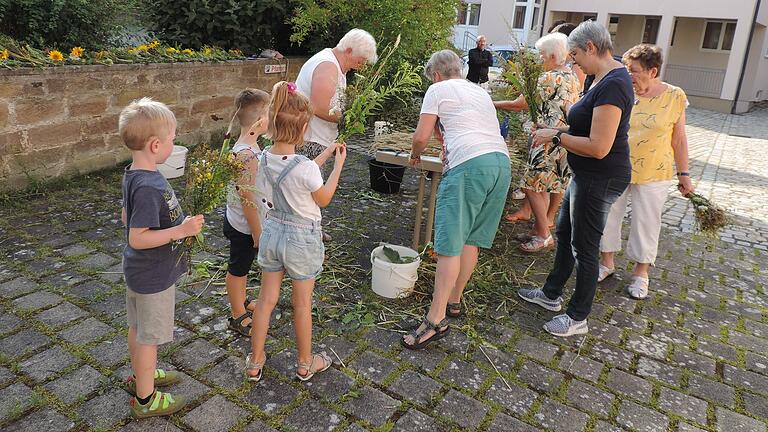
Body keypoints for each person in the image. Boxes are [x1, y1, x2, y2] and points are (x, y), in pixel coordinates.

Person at [517, 21, 633, 337]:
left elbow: (598, 146)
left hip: (601, 177)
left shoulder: (615, 85)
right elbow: (583, 129)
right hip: (584, 175)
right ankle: (551, 294)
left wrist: (555, 136)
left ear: (591, 47)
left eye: (577, 54)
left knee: (584, 247)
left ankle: (577, 317)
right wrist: (554, 132)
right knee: (566, 232)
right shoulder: (599, 78)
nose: (574, 61)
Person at [401, 50, 511, 350]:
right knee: (471, 239)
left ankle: (435, 320)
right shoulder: (479, 91)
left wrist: (414, 154)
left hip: (469, 167)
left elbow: (421, 135)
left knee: (449, 244)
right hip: (500, 164)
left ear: (435, 75)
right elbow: (467, 127)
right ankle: (454, 300)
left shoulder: (437, 89)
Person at [246, 81, 346, 381]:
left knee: (266, 300)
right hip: (301, 240)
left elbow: (296, 172)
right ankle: (305, 362)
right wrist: (338, 166)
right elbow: (323, 197)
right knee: (302, 304)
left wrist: (326, 154)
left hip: (272, 232)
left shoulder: (264, 157)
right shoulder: (305, 168)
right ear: (303, 130)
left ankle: (255, 361)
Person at [119, 98, 204, 417]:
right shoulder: (148, 185)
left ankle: (141, 374)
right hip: (152, 276)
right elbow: (137, 237)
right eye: (172, 139)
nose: (174, 144)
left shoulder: (133, 174)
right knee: (148, 338)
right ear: (155, 145)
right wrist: (180, 231)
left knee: (138, 329)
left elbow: (127, 217)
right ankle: (145, 400)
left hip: (140, 273)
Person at [598, 44, 694, 299]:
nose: (629, 75)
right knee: (608, 216)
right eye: (627, 69)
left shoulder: (675, 96)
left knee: (646, 221)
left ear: (653, 71)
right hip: (617, 165)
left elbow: (679, 139)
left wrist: (684, 174)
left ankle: (641, 273)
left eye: (635, 71)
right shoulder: (623, 91)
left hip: (655, 170)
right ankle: (606, 263)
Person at [493, 33, 580, 253]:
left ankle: (543, 235)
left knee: (531, 184)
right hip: (564, 138)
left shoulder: (546, 79)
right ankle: (540, 227)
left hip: (546, 140)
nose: (539, 59)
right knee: (546, 185)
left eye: (541, 55)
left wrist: (490, 102)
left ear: (552, 55)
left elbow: (518, 104)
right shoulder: (572, 76)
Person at [295, 28, 377, 241]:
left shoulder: (333, 65)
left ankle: (311, 229)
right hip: (310, 139)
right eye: (360, 60)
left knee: (311, 187)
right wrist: (348, 118)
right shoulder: (328, 66)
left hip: (317, 138)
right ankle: (304, 235)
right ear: (348, 50)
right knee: (309, 188)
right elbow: (318, 106)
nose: (360, 66)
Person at [223, 88, 271, 336]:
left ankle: (240, 300)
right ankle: (237, 315)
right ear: (260, 120)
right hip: (244, 225)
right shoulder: (246, 155)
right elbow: (246, 196)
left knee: (243, 266)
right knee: (238, 269)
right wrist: (257, 232)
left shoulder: (250, 146)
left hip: (244, 222)